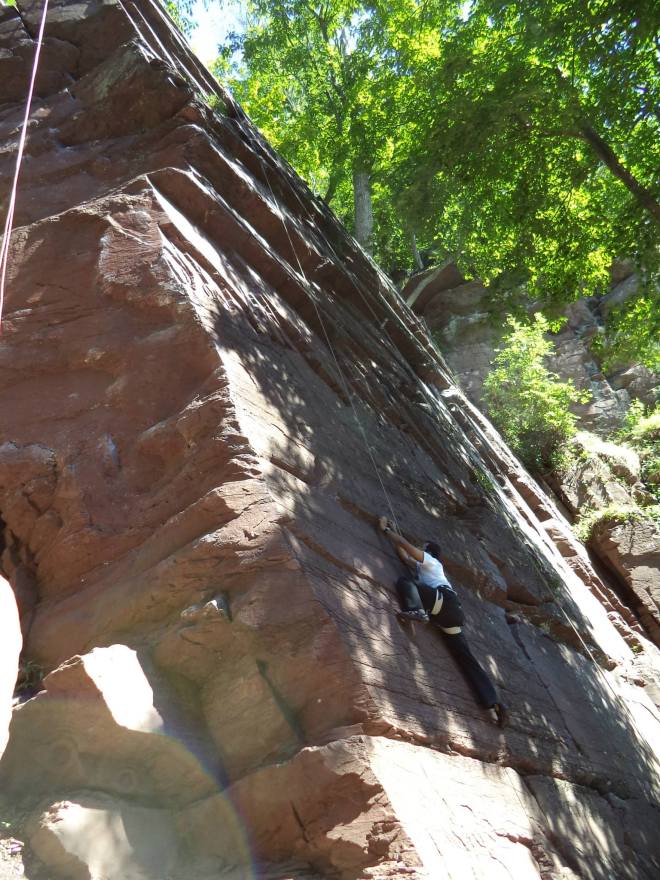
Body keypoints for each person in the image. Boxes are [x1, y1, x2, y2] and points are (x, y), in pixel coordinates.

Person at [378, 516, 508, 727]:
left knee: (405, 582)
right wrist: (393, 532)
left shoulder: (432, 562)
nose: (421, 549)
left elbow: (407, 547)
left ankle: (417, 610)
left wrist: (386, 530)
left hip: (443, 603)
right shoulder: (425, 568)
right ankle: (493, 703)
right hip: (450, 613)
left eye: (423, 548)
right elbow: (404, 556)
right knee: (465, 658)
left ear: (428, 551)